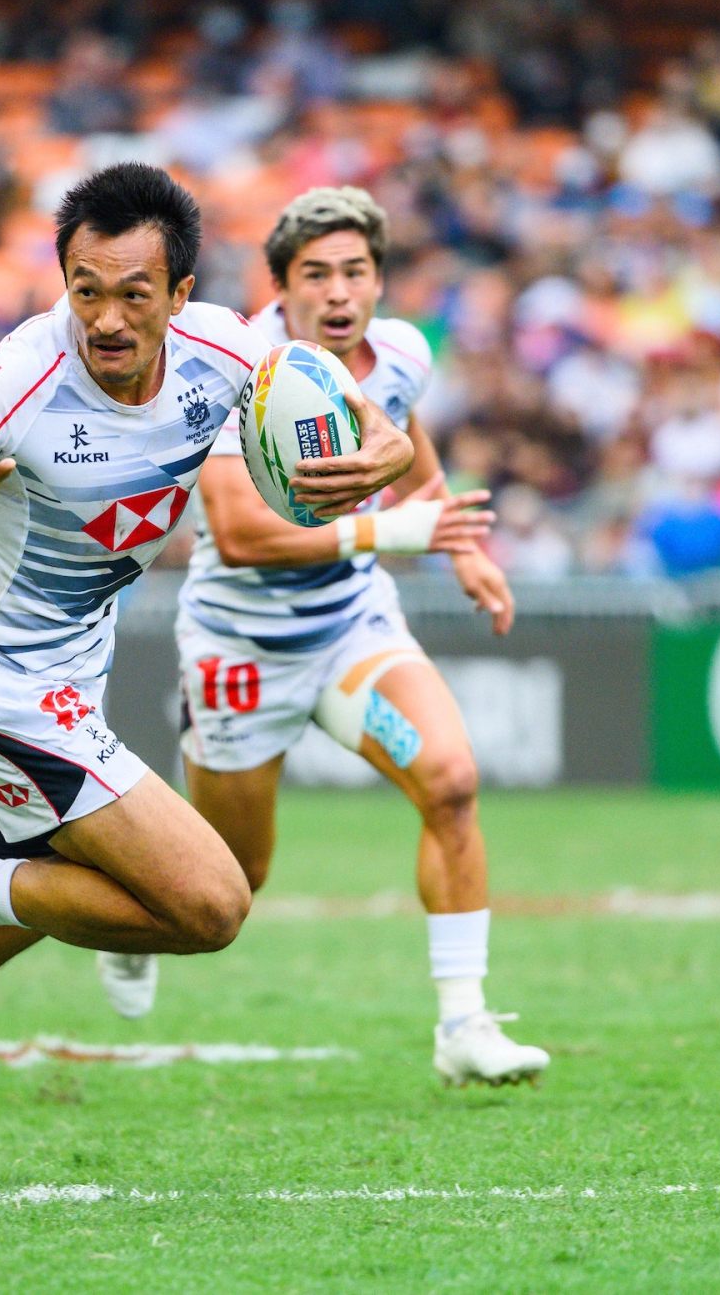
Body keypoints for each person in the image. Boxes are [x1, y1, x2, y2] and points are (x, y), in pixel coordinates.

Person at [0, 164, 461, 1179]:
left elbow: (364, 412)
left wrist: (382, 449)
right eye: (83, 288)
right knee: (211, 903)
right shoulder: (14, 381)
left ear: (180, 295)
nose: (104, 316)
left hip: (61, 680)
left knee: (0, 928)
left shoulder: (227, 353)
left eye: (133, 292)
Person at [98, 186, 550, 1088]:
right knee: (231, 878)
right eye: (316, 275)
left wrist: (457, 544)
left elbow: (405, 436)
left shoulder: (405, 354)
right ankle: (126, 922)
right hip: (240, 654)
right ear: (281, 289)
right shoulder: (239, 367)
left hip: (351, 631)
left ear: (380, 281)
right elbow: (240, 533)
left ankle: (464, 1021)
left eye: (356, 272)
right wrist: (398, 533)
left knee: (452, 783)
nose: (339, 294)